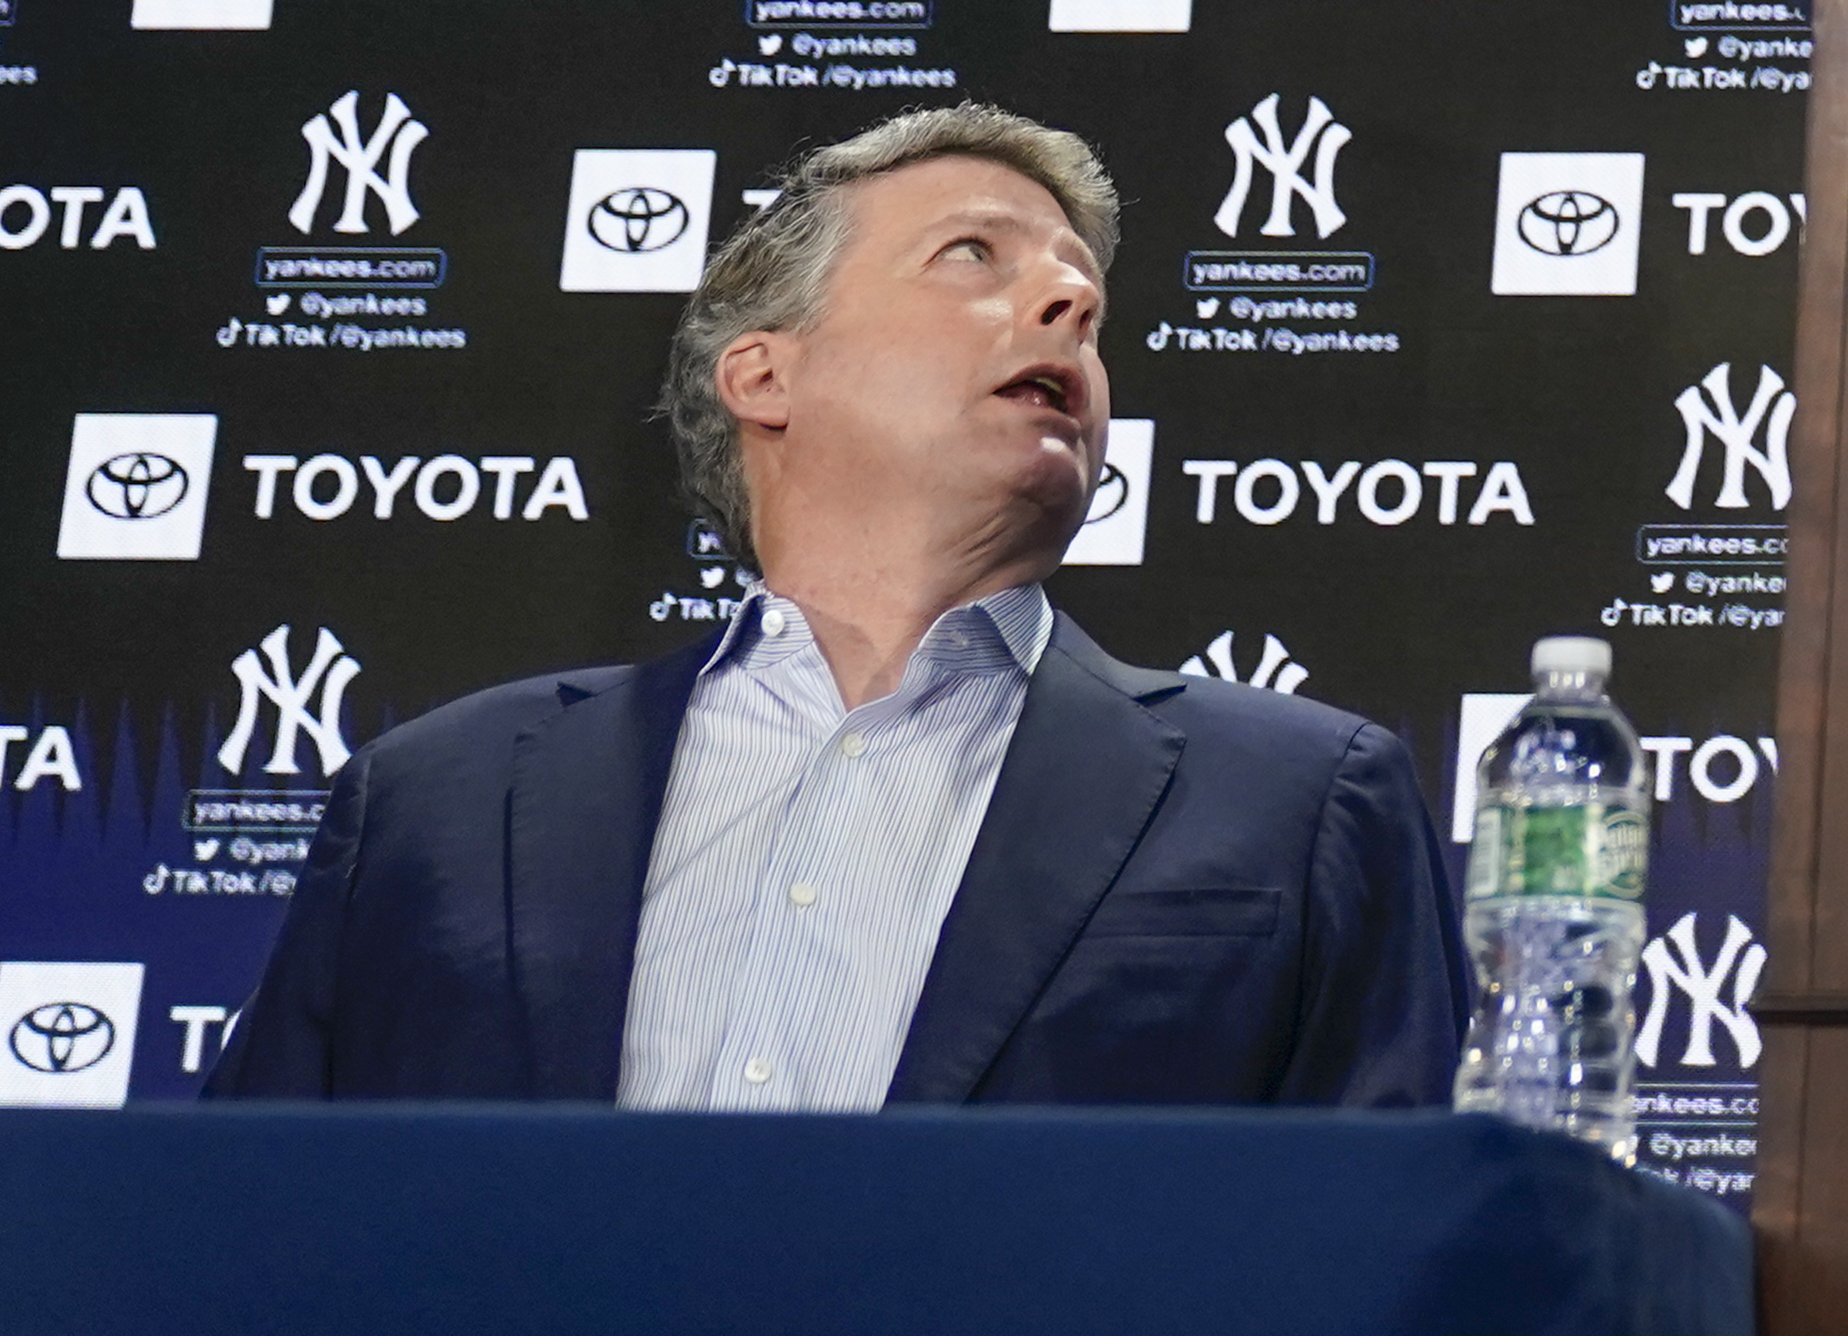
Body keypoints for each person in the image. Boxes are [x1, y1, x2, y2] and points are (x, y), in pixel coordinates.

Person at [213, 102, 1464, 1105]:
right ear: (765, 370)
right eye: (971, 254)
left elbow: (1413, 1252)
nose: (1071, 307)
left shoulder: (1301, 799)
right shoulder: (439, 796)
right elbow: (248, 1232)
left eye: (1085, 295)